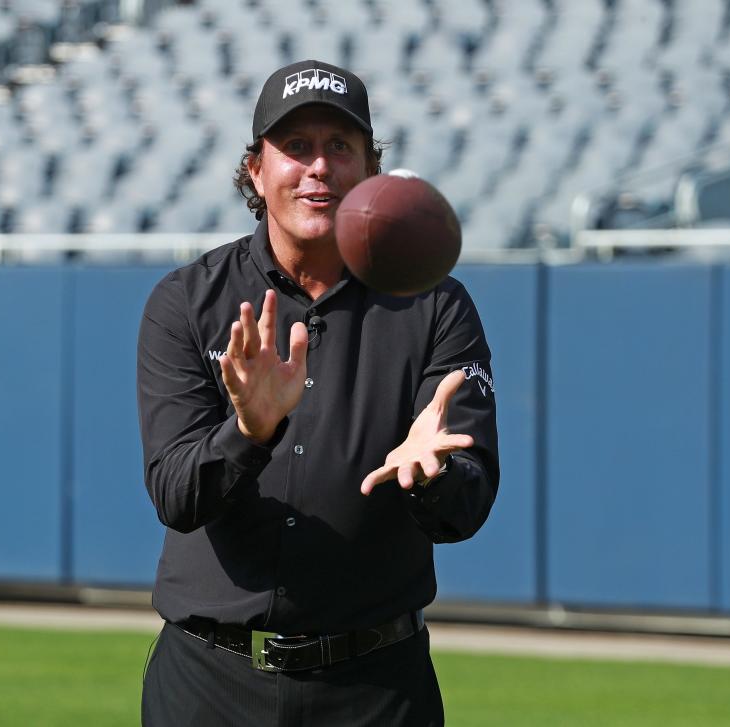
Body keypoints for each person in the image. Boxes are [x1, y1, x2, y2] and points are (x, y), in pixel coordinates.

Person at [137, 59, 499, 726]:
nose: (319, 167)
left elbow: (466, 505)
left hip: (375, 688)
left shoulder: (435, 305)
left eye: (340, 147)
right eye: (296, 147)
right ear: (256, 171)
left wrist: (434, 474)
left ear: (371, 169)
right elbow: (176, 495)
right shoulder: (187, 301)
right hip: (209, 685)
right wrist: (247, 432)